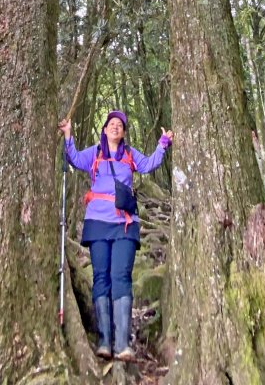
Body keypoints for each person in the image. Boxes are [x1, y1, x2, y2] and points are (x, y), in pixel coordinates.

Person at [58, 110, 173, 361]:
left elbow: (148, 164)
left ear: (123, 132)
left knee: (121, 276)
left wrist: (163, 144)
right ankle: (104, 341)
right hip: (97, 222)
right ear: (104, 128)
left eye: (120, 125)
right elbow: (74, 158)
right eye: (111, 123)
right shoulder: (95, 153)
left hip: (124, 223)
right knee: (101, 277)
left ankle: (122, 343)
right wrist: (68, 135)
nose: (115, 127)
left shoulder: (129, 154)